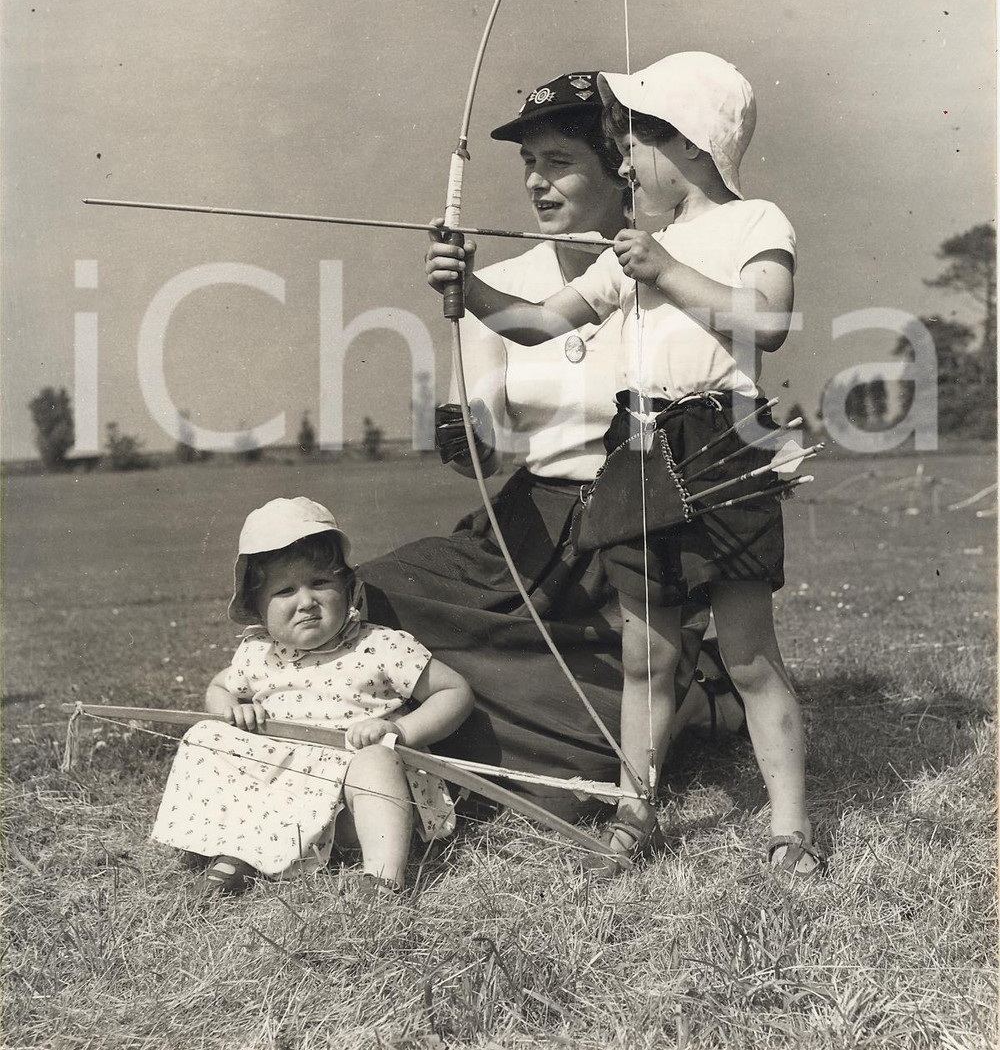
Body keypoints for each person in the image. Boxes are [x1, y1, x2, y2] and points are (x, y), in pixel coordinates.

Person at [426, 52, 825, 878]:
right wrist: (470, 288)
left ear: (690, 145)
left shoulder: (755, 223)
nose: (625, 160)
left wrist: (667, 270)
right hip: (636, 448)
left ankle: (790, 828)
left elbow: (771, 318)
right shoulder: (636, 248)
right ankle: (632, 814)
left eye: (635, 141)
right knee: (649, 655)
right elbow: (539, 322)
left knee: (749, 654)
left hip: (721, 444)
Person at [360, 71, 745, 825]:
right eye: (528, 163)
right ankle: (664, 703)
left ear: (620, 168)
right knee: (367, 596)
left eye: (560, 161)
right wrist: (461, 430)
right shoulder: (496, 286)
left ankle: (678, 702)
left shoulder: (669, 268)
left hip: (637, 522)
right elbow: (484, 444)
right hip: (531, 526)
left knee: (592, 747)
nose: (536, 182)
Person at [150, 497, 474, 895]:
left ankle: (384, 878)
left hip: (358, 808)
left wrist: (400, 731)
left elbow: (454, 691)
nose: (306, 602)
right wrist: (233, 709)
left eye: (320, 583)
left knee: (374, 762)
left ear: (348, 588)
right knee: (208, 735)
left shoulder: (380, 646)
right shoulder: (258, 654)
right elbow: (218, 688)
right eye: (285, 590)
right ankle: (237, 853)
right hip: (285, 800)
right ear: (258, 608)